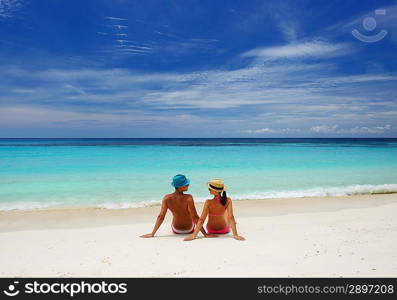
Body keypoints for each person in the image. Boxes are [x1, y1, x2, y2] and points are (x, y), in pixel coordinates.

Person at [140, 174, 215, 238]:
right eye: (186, 184)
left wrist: (152, 233)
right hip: (189, 229)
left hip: (176, 229)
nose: (188, 185)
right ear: (180, 187)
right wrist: (205, 234)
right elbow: (195, 217)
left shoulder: (167, 198)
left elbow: (161, 217)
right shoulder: (188, 198)